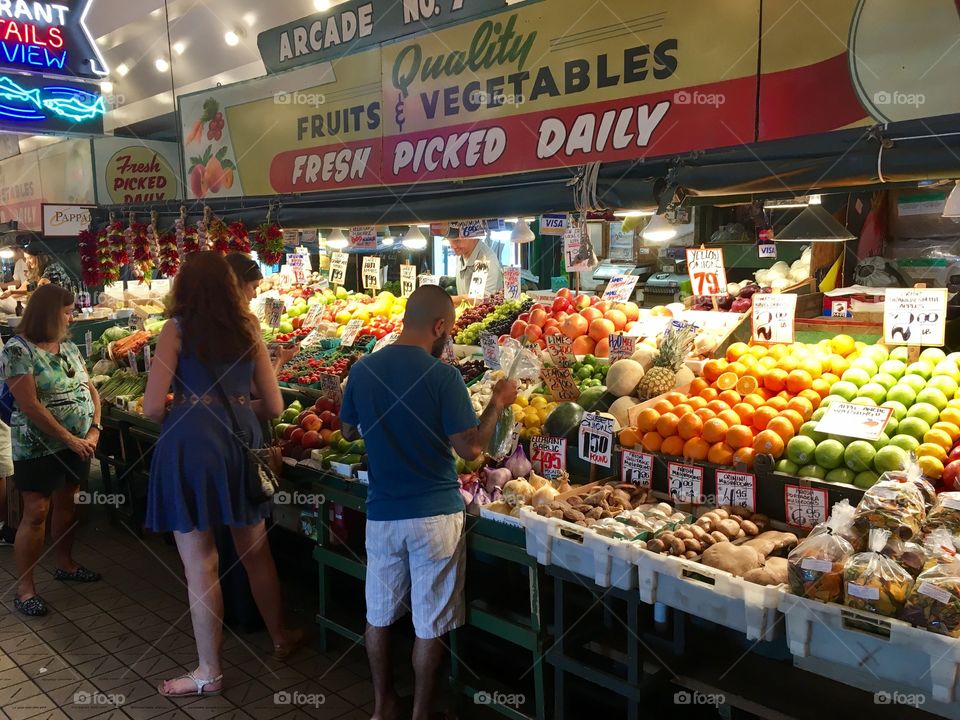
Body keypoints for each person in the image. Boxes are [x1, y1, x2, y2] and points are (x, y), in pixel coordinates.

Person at [339, 285, 517, 720]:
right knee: (429, 623)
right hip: (434, 516)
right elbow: (471, 449)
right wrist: (496, 402)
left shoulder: (363, 370)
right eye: (450, 330)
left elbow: (346, 433)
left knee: (378, 615)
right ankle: (421, 712)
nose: (449, 338)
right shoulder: (444, 377)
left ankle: (383, 707)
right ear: (439, 326)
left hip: (382, 512)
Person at [143, 251, 304, 698]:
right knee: (255, 551)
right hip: (239, 446)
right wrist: (232, 407)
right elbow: (273, 406)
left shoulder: (174, 331)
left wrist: (192, 406)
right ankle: (280, 637)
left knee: (201, 564)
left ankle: (209, 672)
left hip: (190, 448)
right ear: (233, 287)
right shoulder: (249, 329)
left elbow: (154, 407)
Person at [0, 284, 102, 616]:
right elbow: (29, 405)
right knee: (37, 512)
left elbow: (90, 390)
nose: (72, 317)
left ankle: (65, 564)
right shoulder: (17, 350)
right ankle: (25, 589)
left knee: (69, 504)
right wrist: (69, 438)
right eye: (67, 311)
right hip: (37, 445)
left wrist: (94, 428)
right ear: (48, 313)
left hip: (78, 443)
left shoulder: (69, 346)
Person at [225, 252, 297, 372]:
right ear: (236, 286)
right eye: (253, 287)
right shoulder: (245, 324)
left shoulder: (196, 325)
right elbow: (260, 388)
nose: (254, 295)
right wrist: (281, 359)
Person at [449, 233, 503, 299]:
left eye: (457, 240)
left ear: (473, 236)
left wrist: (447, 300)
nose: (453, 245)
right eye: (449, 240)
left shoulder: (483, 259)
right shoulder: (461, 252)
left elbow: (477, 298)